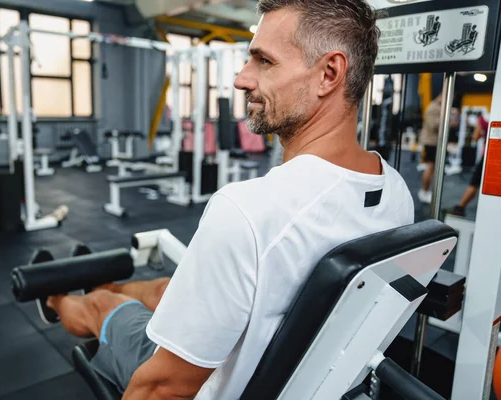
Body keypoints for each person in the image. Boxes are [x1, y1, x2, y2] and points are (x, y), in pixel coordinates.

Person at [39, 1, 414, 399]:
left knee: (99, 306)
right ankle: (108, 282)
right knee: (168, 290)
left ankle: (56, 295)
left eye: (264, 61)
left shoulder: (248, 211)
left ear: (329, 74)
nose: (241, 79)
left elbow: (161, 389)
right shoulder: (395, 193)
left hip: (217, 386)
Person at [447, 112, 489, 216]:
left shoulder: (485, 118)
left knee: (474, 182)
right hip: (492, 157)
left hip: (489, 156)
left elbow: (475, 136)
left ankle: (460, 207)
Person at [418, 93, 442, 204]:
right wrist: (447, 120)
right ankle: (424, 191)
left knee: (432, 167)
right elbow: (433, 126)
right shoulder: (433, 108)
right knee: (430, 166)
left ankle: (426, 191)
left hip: (434, 142)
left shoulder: (437, 108)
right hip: (431, 142)